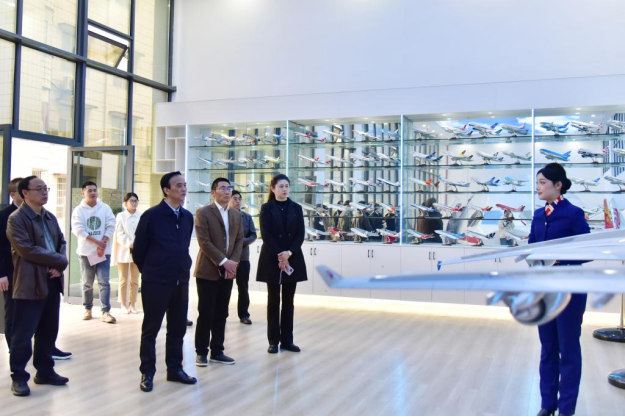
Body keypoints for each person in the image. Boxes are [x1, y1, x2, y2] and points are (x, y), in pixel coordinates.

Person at [531, 163, 590, 417]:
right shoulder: (537, 215)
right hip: (544, 290)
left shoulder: (574, 214)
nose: (538, 187)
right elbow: (531, 247)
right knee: (547, 349)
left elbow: (588, 252)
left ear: (558, 185)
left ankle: (566, 409)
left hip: (569, 290)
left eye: (542, 182)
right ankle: (548, 404)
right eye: (537, 183)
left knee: (568, 350)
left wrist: (558, 259)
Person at [133, 172, 197, 393]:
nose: (183, 188)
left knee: (177, 328)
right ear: (166, 190)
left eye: (184, 185)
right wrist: (152, 270)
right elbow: (138, 251)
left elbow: (184, 246)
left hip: (181, 280)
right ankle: (147, 372)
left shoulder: (187, 217)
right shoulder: (151, 215)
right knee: (151, 329)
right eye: (178, 185)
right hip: (156, 281)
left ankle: (175, 369)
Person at [7, 176, 69, 397]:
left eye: (46, 188)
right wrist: (58, 260)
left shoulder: (49, 217)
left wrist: (59, 266)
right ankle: (19, 377)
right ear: (25, 193)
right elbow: (26, 249)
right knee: (23, 335)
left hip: (52, 280)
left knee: (48, 331)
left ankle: (45, 372)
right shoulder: (16, 219)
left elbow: (62, 242)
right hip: (29, 284)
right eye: (39, 189)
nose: (45, 192)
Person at [194, 178, 244, 367]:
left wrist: (233, 263)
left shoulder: (236, 215)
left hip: (229, 271)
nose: (227, 191)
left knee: (222, 312)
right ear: (213, 192)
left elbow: (239, 241)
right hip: (208, 271)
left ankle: (217, 351)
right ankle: (201, 352)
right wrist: (224, 262)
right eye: (222, 188)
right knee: (206, 312)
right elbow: (204, 242)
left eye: (229, 188)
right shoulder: (203, 212)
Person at [257, 174, 307, 355]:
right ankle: (273, 341)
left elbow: (300, 234)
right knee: (273, 301)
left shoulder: (296, 208)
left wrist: (289, 253)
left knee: (288, 302)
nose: (284, 189)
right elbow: (266, 234)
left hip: (292, 257)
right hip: (272, 258)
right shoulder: (266, 208)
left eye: (287, 186)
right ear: (273, 188)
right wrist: (280, 255)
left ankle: (287, 340)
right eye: (281, 186)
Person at [71, 182, 117, 324]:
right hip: (86, 252)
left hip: (103, 253)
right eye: (89, 190)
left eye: (94, 190)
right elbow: (78, 230)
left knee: (104, 282)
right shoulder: (79, 210)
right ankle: (87, 309)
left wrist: (103, 242)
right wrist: (98, 243)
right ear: (83, 193)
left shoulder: (105, 208)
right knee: (87, 283)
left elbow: (111, 225)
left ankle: (105, 311)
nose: (93, 193)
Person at [230, 190, 257, 325]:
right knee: (224, 288)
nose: (237, 201)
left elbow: (253, 234)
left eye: (239, 199)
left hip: (243, 257)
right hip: (227, 258)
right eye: (234, 198)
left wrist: (240, 242)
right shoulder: (225, 216)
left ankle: (244, 314)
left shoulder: (247, 217)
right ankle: (221, 314)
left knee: (243, 288)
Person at [112, 193, 142, 314]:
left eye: (136, 201)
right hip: (123, 251)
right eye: (131, 201)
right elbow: (119, 233)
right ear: (125, 203)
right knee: (123, 279)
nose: (134, 203)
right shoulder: (121, 216)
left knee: (135, 280)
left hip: (137, 252)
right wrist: (130, 243)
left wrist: (138, 244)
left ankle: (132, 304)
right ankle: (123, 304)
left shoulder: (141, 216)